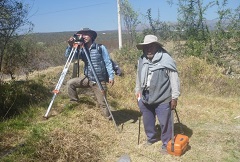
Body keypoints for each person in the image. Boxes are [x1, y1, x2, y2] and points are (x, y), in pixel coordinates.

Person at [135, 35, 180, 153]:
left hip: (163, 97)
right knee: (147, 120)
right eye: (146, 47)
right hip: (145, 96)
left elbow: (174, 79)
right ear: (143, 48)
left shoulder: (166, 60)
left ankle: (166, 143)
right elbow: (138, 78)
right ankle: (151, 138)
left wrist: (174, 97)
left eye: (152, 46)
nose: (149, 49)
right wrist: (138, 93)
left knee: (165, 122)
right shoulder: (142, 60)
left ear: (157, 47)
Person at [65, 28, 114, 119]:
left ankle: (108, 120)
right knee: (70, 83)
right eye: (82, 35)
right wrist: (70, 46)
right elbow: (70, 57)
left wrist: (111, 76)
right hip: (88, 78)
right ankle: (75, 104)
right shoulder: (82, 49)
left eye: (86, 34)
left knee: (103, 104)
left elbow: (108, 62)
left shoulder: (100, 47)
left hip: (99, 80)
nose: (84, 36)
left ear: (91, 36)